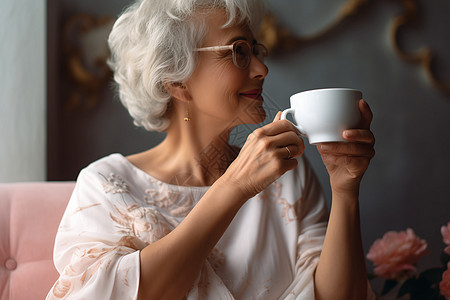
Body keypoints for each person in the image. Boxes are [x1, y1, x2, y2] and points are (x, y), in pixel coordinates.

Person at [47, 0, 376, 299]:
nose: (261, 69)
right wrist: (235, 187)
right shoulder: (106, 183)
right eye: (239, 51)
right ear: (178, 81)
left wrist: (345, 190)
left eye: (256, 50)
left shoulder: (288, 171)